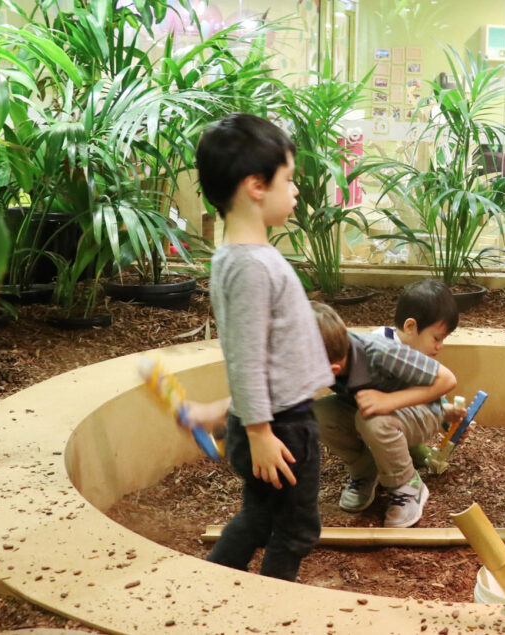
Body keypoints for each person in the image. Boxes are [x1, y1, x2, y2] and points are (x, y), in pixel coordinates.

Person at [194, 113, 334, 581]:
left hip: (268, 419)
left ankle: (214, 589)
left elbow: (255, 356)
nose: (295, 191)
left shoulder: (237, 257)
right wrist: (257, 432)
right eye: (289, 180)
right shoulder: (253, 266)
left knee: (259, 517)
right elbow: (247, 356)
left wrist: (229, 412)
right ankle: (271, 607)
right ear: (256, 185)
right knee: (294, 529)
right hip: (281, 427)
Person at [310, 301, 460, 528]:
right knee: (318, 414)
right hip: (371, 409)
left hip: (423, 411)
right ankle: (366, 470)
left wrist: (388, 401)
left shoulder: (381, 352)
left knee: (373, 420)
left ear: (334, 367)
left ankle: (409, 485)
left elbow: (447, 379)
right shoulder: (322, 346)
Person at [371, 279, 466, 465]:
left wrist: (448, 421)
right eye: (436, 338)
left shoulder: (414, 351)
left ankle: (413, 451)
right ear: (410, 327)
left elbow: (429, 388)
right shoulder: (381, 348)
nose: (440, 346)